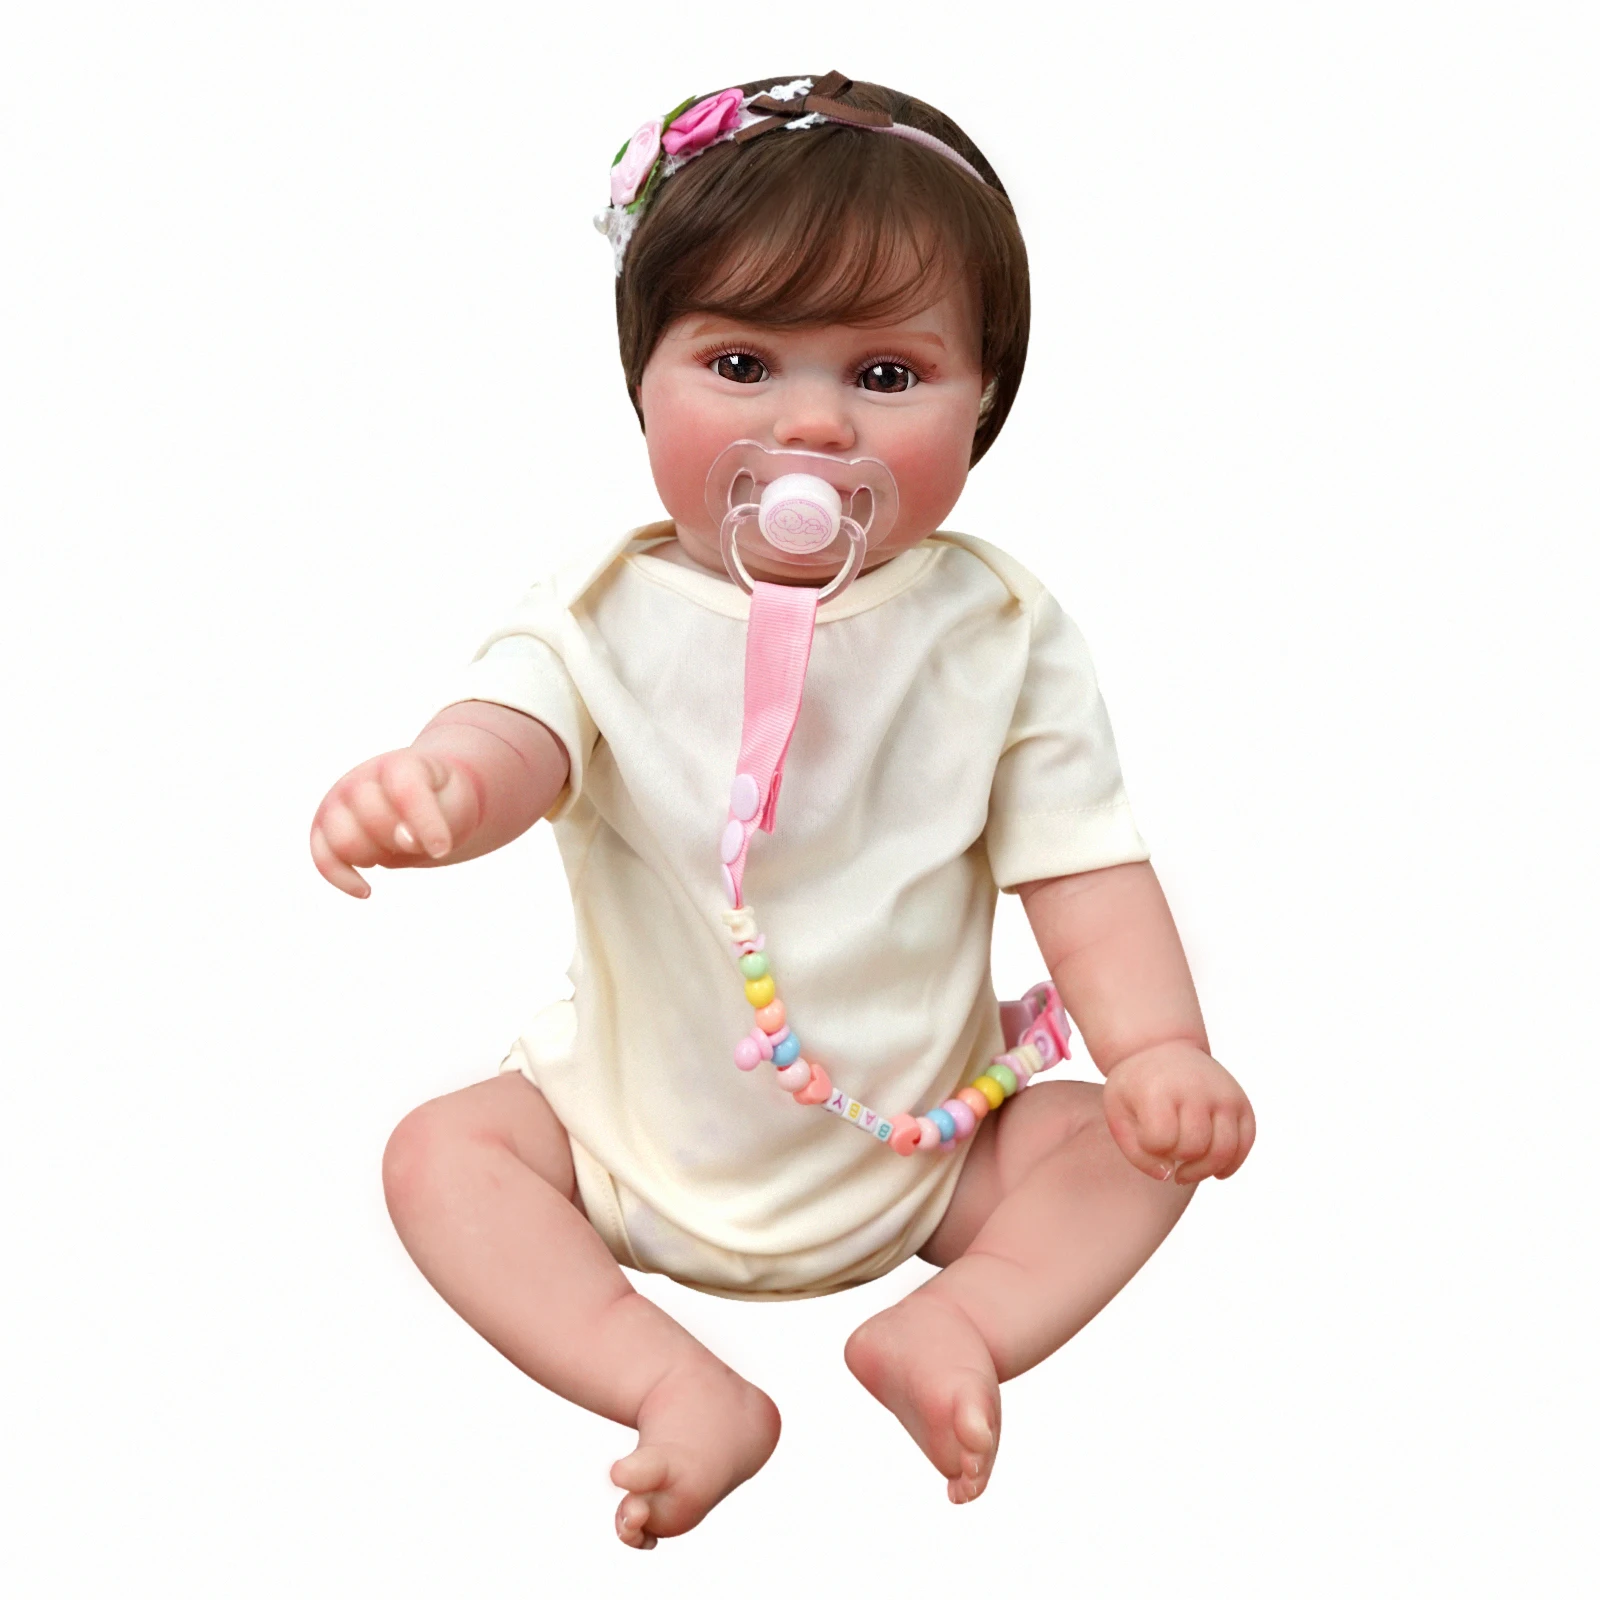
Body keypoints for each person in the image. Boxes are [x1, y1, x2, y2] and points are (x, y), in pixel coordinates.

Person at [309, 72, 1255, 1550]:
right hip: (622, 1145)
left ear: (983, 401)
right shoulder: (602, 610)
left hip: (929, 1154)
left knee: (1136, 1154)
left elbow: (1085, 868)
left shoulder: (998, 631)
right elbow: (514, 735)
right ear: (643, 383)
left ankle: (959, 1322)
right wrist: (438, 786)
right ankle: (674, 1384)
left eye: (885, 374)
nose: (812, 426)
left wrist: (1159, 1052)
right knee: (441, 1158)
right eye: (742, 363)